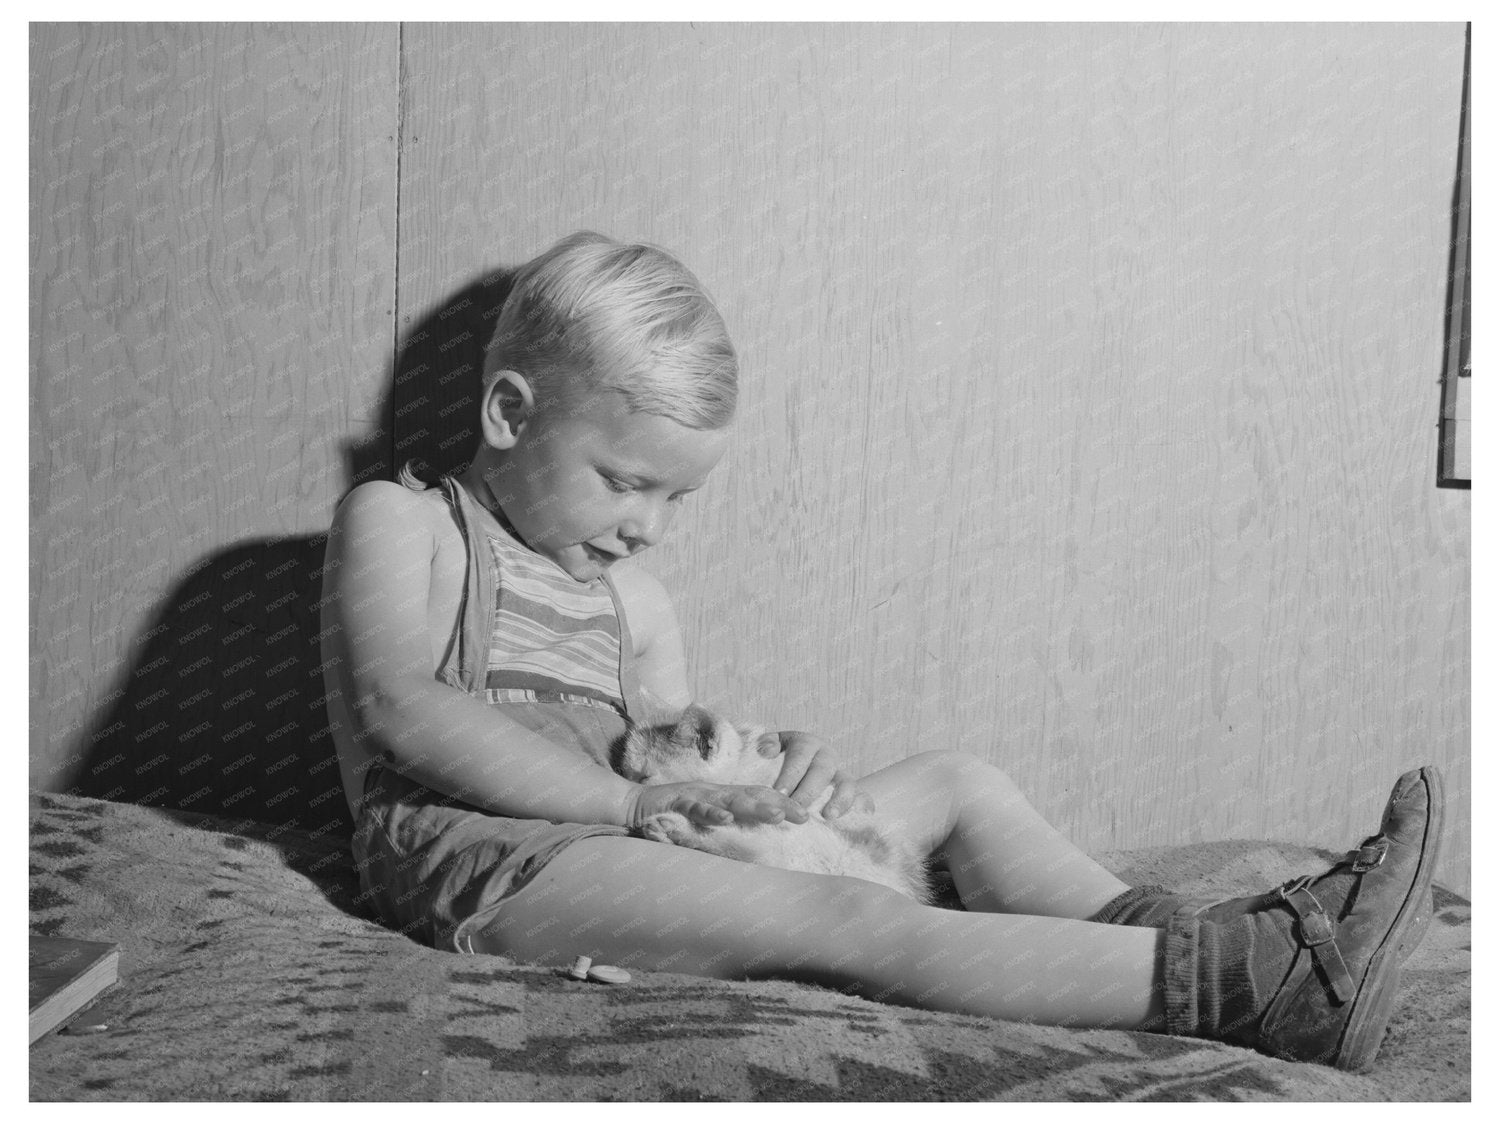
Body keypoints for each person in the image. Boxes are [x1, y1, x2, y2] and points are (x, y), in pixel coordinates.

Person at [318, 231, 1444, 1072]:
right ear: (510, 412)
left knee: (957, 779)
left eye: (676, 496)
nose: (648, 524)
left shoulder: (635, 599)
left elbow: (670, 758)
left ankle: (1198, 935)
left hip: (642, 833)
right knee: (848, 919)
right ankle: (1250, 986)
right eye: (625, 479)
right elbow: (400, 707)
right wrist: (622, 812)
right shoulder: (404, 524)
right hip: (503, 860)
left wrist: (771, 772)